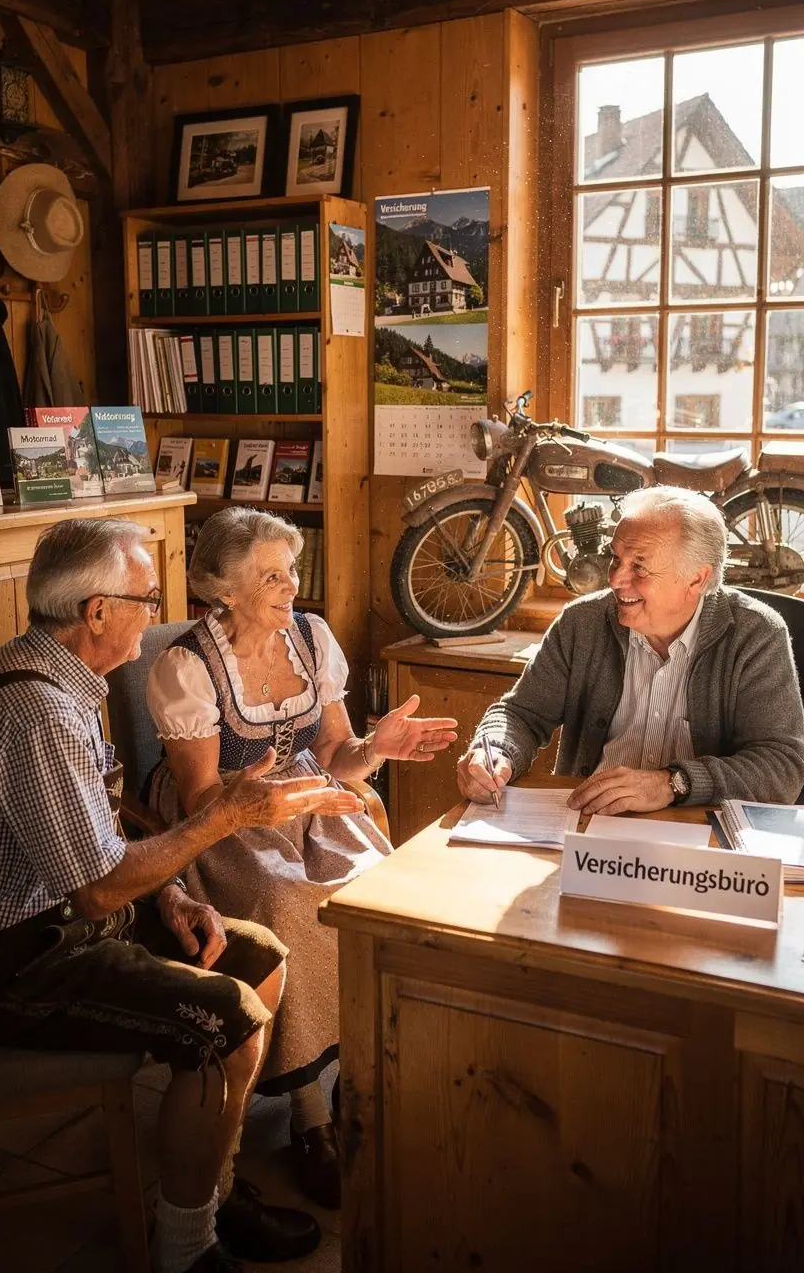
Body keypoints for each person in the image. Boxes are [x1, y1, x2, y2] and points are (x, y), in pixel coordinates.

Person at [0, 517, 369, 1273]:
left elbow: (94, 842)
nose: (157, 611)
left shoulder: (62, 680)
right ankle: (187, 1250)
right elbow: (97, 891)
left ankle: (211, 1191)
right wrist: (226, 816)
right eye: (144, 596)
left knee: (257, 956)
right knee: (222, 1021)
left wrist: (170, 897)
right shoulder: (39, 712)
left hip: (72, 913)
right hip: (22, 955)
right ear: (97, 612)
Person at [146, 508, 458, 1207]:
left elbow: (337, 755)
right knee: (289, 900)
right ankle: (310, 1116)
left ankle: (362, 1074)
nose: (291, 588)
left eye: (290, 571)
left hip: (310, 802)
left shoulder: (312, 639)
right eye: (270, 578)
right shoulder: (185, 666)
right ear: (223, 589)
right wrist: (282, 797)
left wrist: (377, 749)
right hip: (229, 815)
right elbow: (200, 797)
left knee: (378, 888)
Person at [457, 486, 804, 814]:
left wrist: (674, 783)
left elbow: (781, 767)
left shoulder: (756, 634)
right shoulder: (582, 623)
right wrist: (495, 750)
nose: (615, 579)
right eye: (615, 558)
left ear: (697, 579)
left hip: (699, 840)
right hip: (587, 829)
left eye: (639, 566)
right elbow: (520, 714)